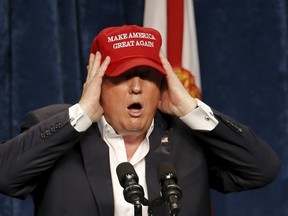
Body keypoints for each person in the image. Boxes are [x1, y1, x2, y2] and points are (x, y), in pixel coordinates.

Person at [0, 25, 280, 216]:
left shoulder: (188, 136)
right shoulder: (55, 127)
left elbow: (262, 169)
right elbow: (5, 176)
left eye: (147, 75)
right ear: (98, 81)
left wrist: (190, 109)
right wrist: (82, 113)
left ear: (161, 82)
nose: (136, 87)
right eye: (122, 75)